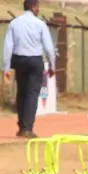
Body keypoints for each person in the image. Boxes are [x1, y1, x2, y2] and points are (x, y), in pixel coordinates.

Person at [2, 0, 56, 139]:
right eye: (37, 6)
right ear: (33, 7)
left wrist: (6, 67)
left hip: (18, 60)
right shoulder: (40, 24)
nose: (38, 9)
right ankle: (27, 128)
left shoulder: (14, 23)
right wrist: (52, 65)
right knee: (32, 93)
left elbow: (8, 46)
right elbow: (49, 47)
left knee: (22, 92)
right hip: (34, 60)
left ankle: (21, 126)